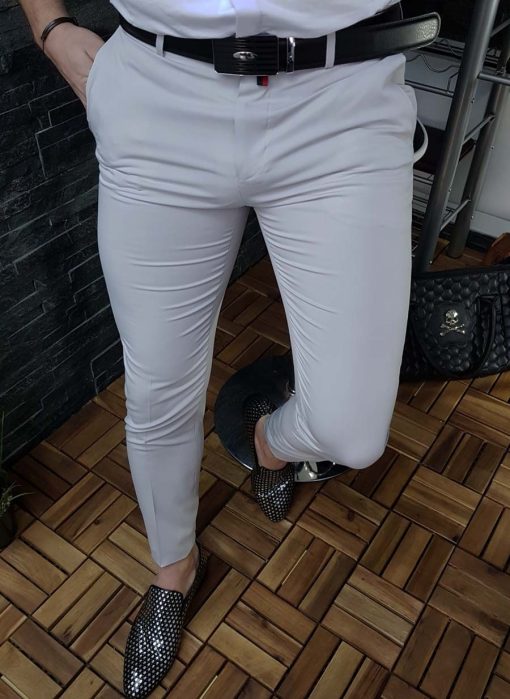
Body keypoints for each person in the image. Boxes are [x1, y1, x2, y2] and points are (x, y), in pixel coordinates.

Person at [20, 1, 423, 697]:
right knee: (157, 392)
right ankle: (173, 566)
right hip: (159, 90)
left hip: (341, 97)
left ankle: (270, 440)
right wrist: (48, 27)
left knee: (352, 431)